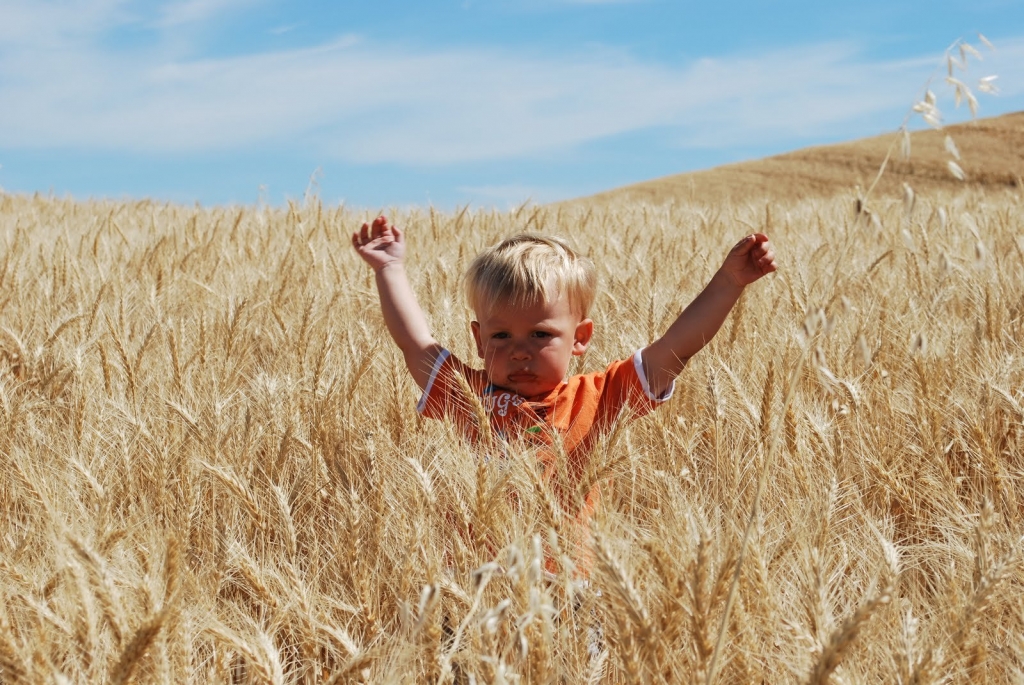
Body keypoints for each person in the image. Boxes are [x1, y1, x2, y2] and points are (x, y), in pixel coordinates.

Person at [352, 216, 776, 570]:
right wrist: (388, 269)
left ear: (580, 338)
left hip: (568, 590)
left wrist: (729, 282)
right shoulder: (466, 395)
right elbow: (415, 342)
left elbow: (676, 348)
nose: (519, 350)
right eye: (501, 335)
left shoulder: (601, 395)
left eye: (540, 334)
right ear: (479, 341)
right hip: (475, 582)